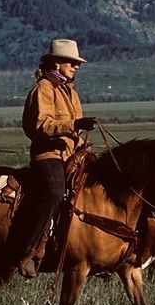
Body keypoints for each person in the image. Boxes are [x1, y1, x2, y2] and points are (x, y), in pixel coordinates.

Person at [17, 38, 97, 278]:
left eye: (77, 63)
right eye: (71, 62)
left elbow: (73, 133)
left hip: (71, 153)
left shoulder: (70, 92)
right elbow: (40, 125)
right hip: (48, 154)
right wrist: (74, 124)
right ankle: (30, 250)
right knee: (53, 191)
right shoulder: (43, 88)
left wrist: (85, 147)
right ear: (56, 63)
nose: (76, 67)